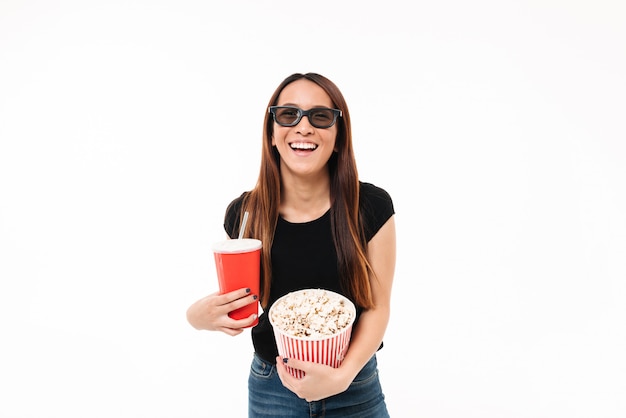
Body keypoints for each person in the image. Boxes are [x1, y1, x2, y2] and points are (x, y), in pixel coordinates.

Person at [186, 72, 396, 417]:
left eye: (320, 116)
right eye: (288, 114)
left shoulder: (370, 206)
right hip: (273, 388)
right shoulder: (245, 214)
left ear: (339, 136)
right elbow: (244, 306)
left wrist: (342, 377)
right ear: (271, 133)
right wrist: (198, 318)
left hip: (354, 384)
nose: (303, 127)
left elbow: (377, 307)